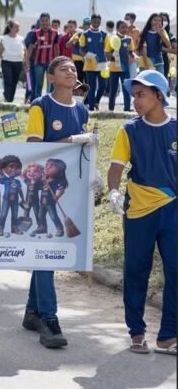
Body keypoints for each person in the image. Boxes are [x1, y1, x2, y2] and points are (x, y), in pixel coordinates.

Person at [24, 55, 100, 348]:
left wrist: (93, 173)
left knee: (48, 250)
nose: (71, 71)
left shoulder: (81, 109)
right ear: (51, 77)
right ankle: (49, 319)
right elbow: (34, 148)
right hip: (42, 190)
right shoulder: (40, 106)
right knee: (46, 250)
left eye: (73, 68)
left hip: (69, 189)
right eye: (63, 68)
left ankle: (32, 311)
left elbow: (83, 151)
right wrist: (72, 140)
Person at [107, 70, 176, 356]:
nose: (135, 100)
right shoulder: (129, 130)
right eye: (133, 95)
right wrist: (113, 191)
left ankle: (169, 335)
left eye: (141, 95)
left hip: (173, 209)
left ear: (158, 95)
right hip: (139, 210)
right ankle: (136, 331)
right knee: (136, 270)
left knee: (175, 270)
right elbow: (116, 167)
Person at [25, 13, 60, 101]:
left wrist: (57, 61)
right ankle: (37, 102)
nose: (44, 23)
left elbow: (56, 48)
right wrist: (27, 61)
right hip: (38, 63)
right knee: (38, 84)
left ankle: (49, 102)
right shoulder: (36, 33)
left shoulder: (55, 33)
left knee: (50, 84)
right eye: (42, 21)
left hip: (51, 63)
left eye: (46, 20)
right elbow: (30, 48)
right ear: (40, 22)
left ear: (49, 21)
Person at [79, 14, 109, 111]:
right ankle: (91, 108)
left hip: (102, 64)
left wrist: (109, 57)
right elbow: (81, 49)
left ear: (100, 22)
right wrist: (87, 55)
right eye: (94, 21)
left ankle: (96, 101)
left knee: (103, 86)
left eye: (98, 22)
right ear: (91, 22)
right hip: (90, 65)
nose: (96, 23)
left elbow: (107, 49)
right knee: (91, 87)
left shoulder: (104, 34)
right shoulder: (85, 34)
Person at [0, 20, 27, 103]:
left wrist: (26, 63)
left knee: (14, 82)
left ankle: (10, 99)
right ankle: (7, 97)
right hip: (7, 62)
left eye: (18, 27)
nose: (18, 28)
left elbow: (25, 51)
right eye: (16, 27)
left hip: (18, 63)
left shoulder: (21, 38)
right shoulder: (3, 38)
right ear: (10, 28)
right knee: (8, 81)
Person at [106, 20, 134, 111]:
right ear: (117, 28)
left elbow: (131, 52)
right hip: (114, 69)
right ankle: (111, 109)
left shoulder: (129, 39)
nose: (125, 29)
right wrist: (112, 56)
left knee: (126, 88)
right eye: (122, 27)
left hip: (125, 69)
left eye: (126, 27)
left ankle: (127, 108)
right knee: (113, 89)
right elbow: (106, 52)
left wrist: (132, 58)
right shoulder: (112, 39)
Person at [125, 12, 141, 78]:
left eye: (127, 19)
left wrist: (135, 53)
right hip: (122, 59)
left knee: (132, 77)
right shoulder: (122, 30)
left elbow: (139, 45)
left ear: (133, 20)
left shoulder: (137, 31)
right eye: (125, 19)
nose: (126, 21)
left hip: (133, 59)